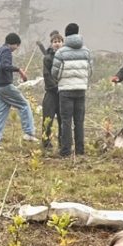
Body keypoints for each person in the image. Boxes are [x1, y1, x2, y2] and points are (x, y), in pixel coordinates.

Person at [0, 33, 37, 149]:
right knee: (24, 104)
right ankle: (29, 133)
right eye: (17, 46)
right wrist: (19, 70)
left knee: (1, 113)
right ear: (15, 44)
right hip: (5, 86)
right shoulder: (7, 51)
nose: (17, 48)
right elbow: (5, 66)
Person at [51, 22, 93, 157]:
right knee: (79, 121)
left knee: (66, 121)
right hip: (81, 90)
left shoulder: (61, 52)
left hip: (66, 91)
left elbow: (55, 73)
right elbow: (90, 71)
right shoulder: (86, 51)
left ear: (66, 35)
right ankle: (80, 150)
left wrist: (61, 81)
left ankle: (65, 151)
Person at [36, 31, 64, 150]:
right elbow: (47, 75)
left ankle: (63, 143)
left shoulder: (66, 57)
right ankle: (46, 143)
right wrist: (55, 87)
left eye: (59, 41)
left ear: (63, 43)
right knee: (48, 118)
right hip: (51, 93)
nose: (57, 44)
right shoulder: (48, 58)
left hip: (64, 94)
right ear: (51, 44)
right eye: (54, 42)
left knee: (63, 120)